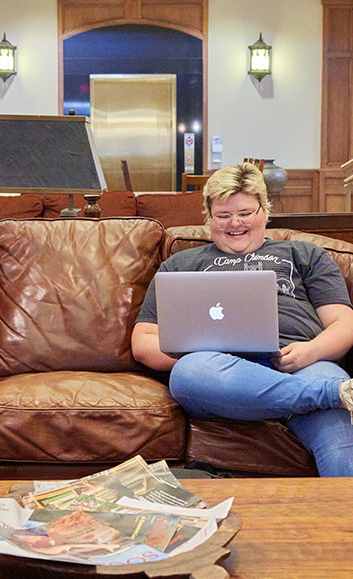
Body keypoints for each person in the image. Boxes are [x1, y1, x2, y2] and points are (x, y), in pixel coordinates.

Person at [132, 162, 353, 477]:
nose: (234, 223)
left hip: (303, 363)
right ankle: (333, 393)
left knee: (340, 438)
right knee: (188, 373)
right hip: (218, 371)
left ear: (265, 211)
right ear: (209, 219)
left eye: (245, 213)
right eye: (223, 216)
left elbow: (345, 324)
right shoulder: (180, 265)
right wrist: (194, 351)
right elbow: (143, 342)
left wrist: (311, 351)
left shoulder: (305, 255)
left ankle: (343, 526)